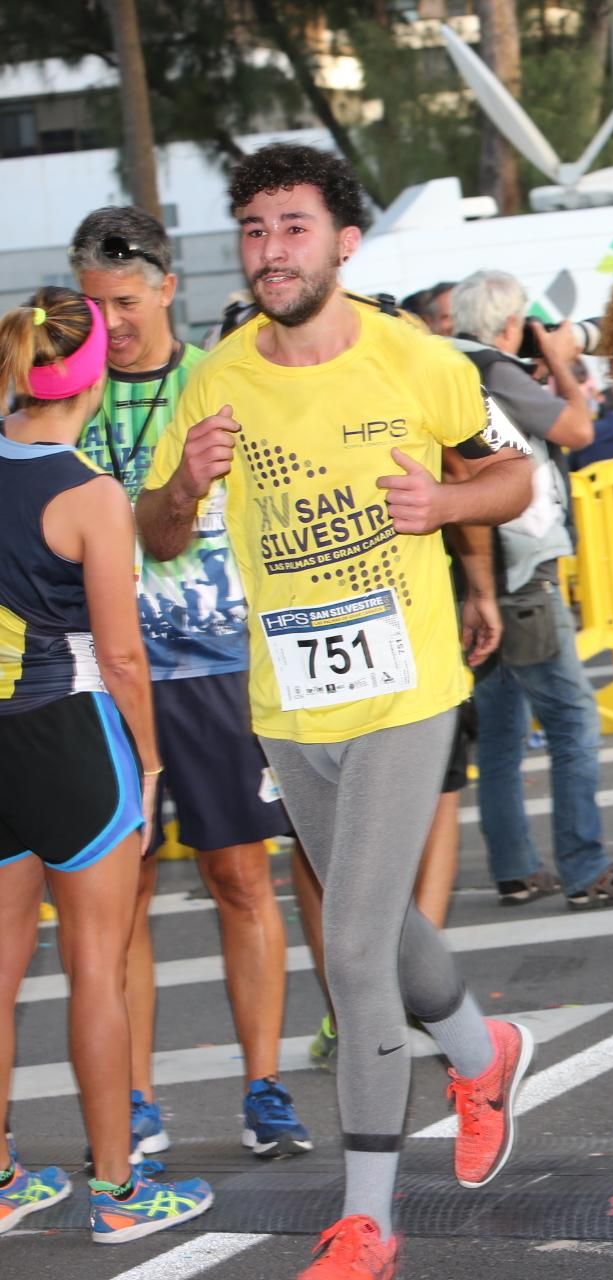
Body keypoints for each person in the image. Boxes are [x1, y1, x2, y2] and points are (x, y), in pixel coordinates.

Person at [136, 142, 536, 1279]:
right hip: (292, 696)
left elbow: (514, 481)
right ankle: (483, 1046)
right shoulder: (217, 377)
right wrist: (183, 487)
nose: (272, 250)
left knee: (351, 941)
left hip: (407, 684)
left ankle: (368, 1217)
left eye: (294, 226)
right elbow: (159, 535)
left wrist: (446, 501)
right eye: (255, 229)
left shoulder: (417, 361)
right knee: (384, 924)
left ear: (344, 242)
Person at [65, 206, 311, 1164]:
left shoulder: (220, 380)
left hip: (219, 666)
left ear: (167, 286)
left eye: (126, 302)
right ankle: (132, 1100)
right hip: (99, 674)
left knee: (240, 878)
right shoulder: (58, 393)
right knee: (115, 900)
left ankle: (265, 1085)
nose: (110, 323)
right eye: (93, 305)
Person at [0, 287, 218, 1243]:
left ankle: (4, 1180)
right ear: (93, 373)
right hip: (72, 732)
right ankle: (120, 1195)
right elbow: (124, 658)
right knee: (97, 967)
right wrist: (155, 758)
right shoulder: (89, 492)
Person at [444, 270, 613, 912]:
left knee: (504, 733)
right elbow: (578, 430)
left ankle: (514, 868)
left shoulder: (445, 363)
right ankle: (584, 866)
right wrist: (563, 363)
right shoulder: (493, 368)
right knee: (571, 719)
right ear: (511, 324)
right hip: (519, 572)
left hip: (476, 573)